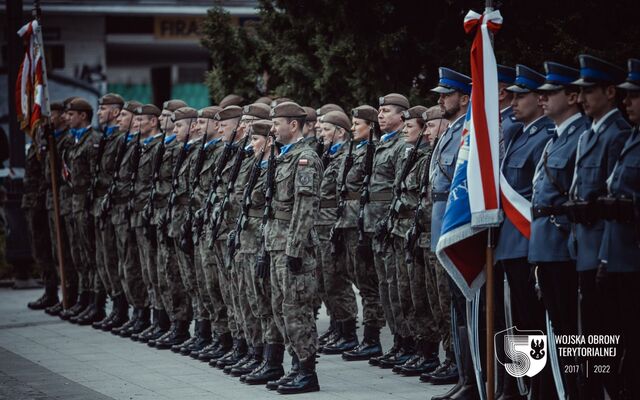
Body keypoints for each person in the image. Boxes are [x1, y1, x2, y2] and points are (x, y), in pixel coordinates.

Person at [566, 55, 631, 399]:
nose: (583, 97)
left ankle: (607, 390)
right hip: (584, 247)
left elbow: (611, 198)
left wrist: (605, 254)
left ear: (609, 92)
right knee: (589, 333)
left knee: (605, 333)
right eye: (581, 90)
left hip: (605, 251)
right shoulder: (591, 133)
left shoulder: (617, 133)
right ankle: (590, 389)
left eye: (589, 90)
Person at [529, 61, 587, 400]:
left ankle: (581, 390)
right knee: (557, 327)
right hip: (545, 245)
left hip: (566, 246)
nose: (543, 98)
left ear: (572, 96)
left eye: (551, 93)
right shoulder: (556, 139)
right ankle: (560, 390)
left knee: (574, 330)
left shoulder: (580, 136)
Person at [497, 64, 555, 399]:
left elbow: (535, 194)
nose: (514, 102)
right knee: (517, 317)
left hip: (528, 240)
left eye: (522, 96)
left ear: (539, 98)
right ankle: (521, 384)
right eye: (513, 96)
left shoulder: (544, 136)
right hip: (510, 241)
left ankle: (541, 387)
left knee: (534, 320)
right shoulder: (521, 135)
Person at [264, 101, 323, 394]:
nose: (272, 129)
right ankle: (294, 366)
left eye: (277, 123)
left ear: (294, 125)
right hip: (276, 242)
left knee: (296, 308)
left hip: (292, 245)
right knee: (280, 307)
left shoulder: (305, 159)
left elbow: (305, 208)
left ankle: (307, 372)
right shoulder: (284, 158)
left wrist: (295, 249)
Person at [427, 67, 471, 400]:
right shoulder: (452, 129)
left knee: (463, 301)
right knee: (452, 303)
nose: (441, 99)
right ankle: (463, 371)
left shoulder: (466, 130)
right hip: (442, 217)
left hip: (456, 221)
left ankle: (471, 375)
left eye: (447, 94)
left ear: (465, 98)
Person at [388, 105, 441, 377]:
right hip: (407, 233)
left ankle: (434, 352)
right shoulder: (412, 157)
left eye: (412, 126)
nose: (405, 130)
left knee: (429, 297)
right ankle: (419, 348)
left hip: (422, 232)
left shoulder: (427, 159)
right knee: (409, 294)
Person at [599, 58, 640, 400]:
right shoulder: (631, 138)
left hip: (632, 255)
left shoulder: (621, 135)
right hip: (614, 255)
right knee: (609, 336)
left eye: (634, 96)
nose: (626, 102)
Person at [367, 93, 412, 368]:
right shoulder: (381, 144)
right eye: (379, 111)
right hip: (376, 225)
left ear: (401, 116)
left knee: (398, 287)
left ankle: (408, 343)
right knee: (385, 287)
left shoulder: (400, 146)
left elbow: (398, 189)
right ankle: (398, 342)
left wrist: (389, 221)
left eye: (386, 111)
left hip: (392, 225)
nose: (380, 116)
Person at [339, 105, 387, 362]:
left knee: (369, 283)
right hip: (351, 222)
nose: (353, 128)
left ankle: (372, 338)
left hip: (366, 223)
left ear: (370, 126)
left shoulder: (373, 150)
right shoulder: (357, 150)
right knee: (359, 277)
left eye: (357, 124)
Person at [314, 110, 359, 356]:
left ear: (340, 132)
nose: (321, 134)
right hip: (319, 223)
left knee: (336, 280)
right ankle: (336, 326)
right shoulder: (326, 154)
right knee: (323, 281)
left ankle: (348, 331)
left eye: (326, 130)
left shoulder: (346, 155)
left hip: (333, 223)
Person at [60, 98, 102, 324]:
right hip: (74, 204)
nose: (67, 117)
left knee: (92, 255)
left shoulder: (93, 141)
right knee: (79, 255)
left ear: (83, 116)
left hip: (86, 205)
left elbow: (97, 177)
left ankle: (96, 303)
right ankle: (84, 299)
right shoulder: (72, 141)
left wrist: (90, 204)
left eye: (71, 114)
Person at [88, 93, 127, 329]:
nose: (99, 113)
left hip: (116, 207)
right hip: (101, 205)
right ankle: (103, 305)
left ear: (114, 111)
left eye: (103, 109)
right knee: (101, 259)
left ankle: (120, 309)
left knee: (116, 260)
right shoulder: (104, 137)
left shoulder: (121, 139)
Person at [42, 101, 75, 317]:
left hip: (71, 203)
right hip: (55, 200)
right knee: (53, 250)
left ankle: (75, 298)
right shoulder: (53, 139)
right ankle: (60, 294)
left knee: (73, 253)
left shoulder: (70, 141)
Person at [25, 124, 56, 310]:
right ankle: (50, 290)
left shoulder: (52, 144)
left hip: (49, 202)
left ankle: (74, 296)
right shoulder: (35, 146)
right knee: (40, 249)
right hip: (35, 203)